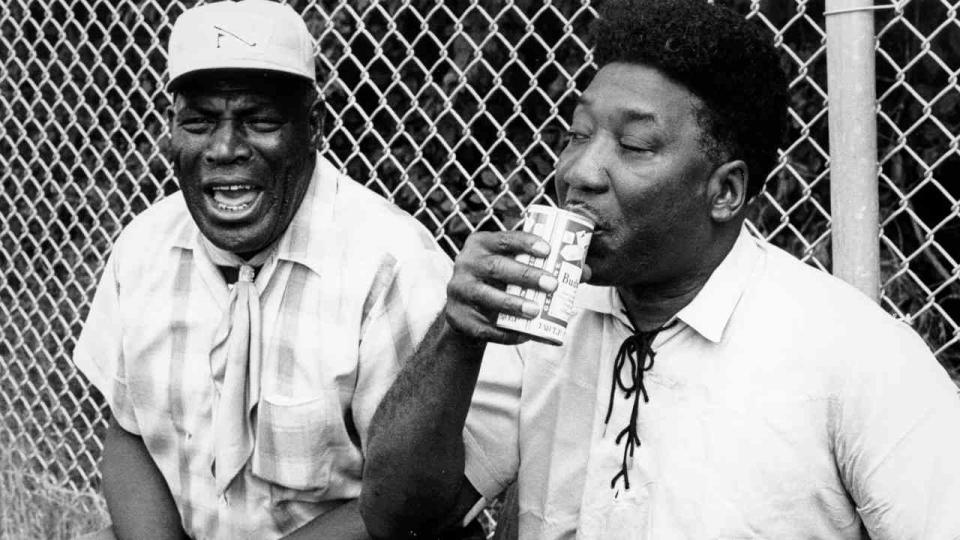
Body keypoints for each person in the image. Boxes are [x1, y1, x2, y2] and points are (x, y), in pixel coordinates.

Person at [359, 0, 960, 538]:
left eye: (635, 146)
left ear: (724, 191)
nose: (579, 173)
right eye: (577, 134)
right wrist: (457, 334)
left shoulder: (855, 356)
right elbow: (398, 518)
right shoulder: (540, 324)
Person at [72, 1, 453, 538]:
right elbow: (129, 431)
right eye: (199, 122)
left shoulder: (391, 266)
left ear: (313, 126)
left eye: (261, 120)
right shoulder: (144, 247)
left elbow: (413, 504)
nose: (225, 148)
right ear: (174, 129)